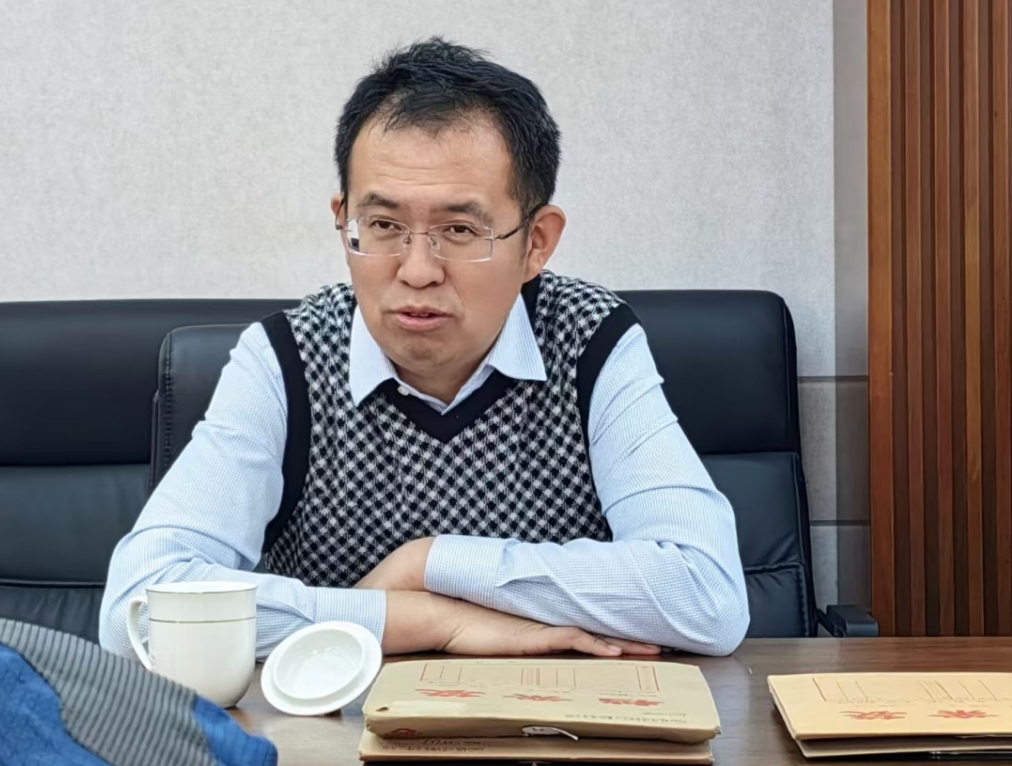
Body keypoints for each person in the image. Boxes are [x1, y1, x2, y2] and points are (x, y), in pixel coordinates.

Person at [100, 38, 749, 662]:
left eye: (459, 230)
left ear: (537, 243)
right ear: (343, 221)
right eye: (383, 225)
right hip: (343, 725)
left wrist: (429, 562)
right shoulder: (287, 358)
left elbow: (707, 596)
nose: (416, 271)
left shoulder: (590, 341)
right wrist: (434, 620)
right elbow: (137, 611)